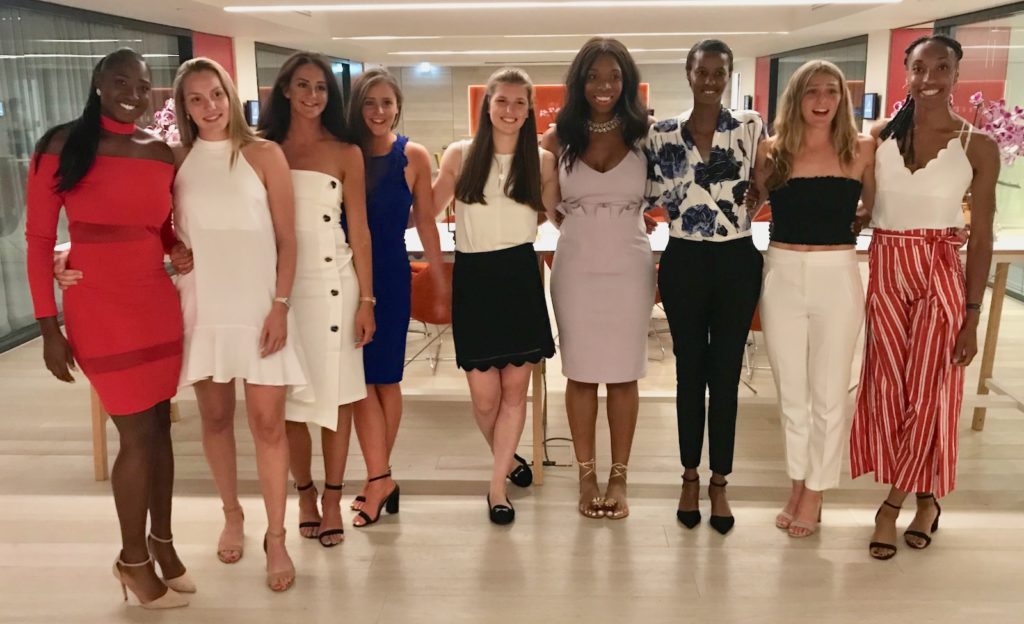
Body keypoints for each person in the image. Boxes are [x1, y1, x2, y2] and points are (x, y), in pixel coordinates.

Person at [26, 48, 190, 608]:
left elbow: (159, 223)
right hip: (97, 306)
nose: (132, 92)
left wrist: (176, 246)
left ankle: (163, 545)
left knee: (162, 429)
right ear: (98, 82)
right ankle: (132, 561)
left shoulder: (159, 152)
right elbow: (40, 241)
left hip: (155, 300)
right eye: (121, 81)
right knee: (137, 435)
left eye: (142, 85)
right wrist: (48, 324)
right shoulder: (60, 145)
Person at [849, 35, 998, 560]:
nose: (929, 77)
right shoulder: (879, 137)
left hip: (940, 273)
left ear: (957, 75)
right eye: (919, 68)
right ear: (906, 74)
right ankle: (929, 498)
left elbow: (981, 238)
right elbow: (864, 205)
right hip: (887, 269)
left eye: (942, 67)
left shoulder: (976, 144)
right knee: (891, 388)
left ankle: (891, 505)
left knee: (933, 390)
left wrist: (972, 315)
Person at [643, 39, 765, 534]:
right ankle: (689, 474)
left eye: (719, 72)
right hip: (684, 259)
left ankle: (720, 480)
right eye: (702, 71)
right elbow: (645, 193)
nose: (710, 80)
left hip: (737, 258)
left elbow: (765, 180)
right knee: (689, 372)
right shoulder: (661, 133)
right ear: (688, 74)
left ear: (729, 75)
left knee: (726, 374)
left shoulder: (750, 127)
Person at [750, 60, 875, 538]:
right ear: (796, 99)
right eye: (812, 93)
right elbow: (747, 201)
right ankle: (798, 481)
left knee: (829, 392)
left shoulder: (861, 149)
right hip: (781, 272)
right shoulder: (773, 150)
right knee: (792, 394)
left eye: (831, 92)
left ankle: (816, 491)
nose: (822, 101)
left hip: (837, 275)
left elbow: (879, 207)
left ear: (842, 98)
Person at [257, 52, 378, 543]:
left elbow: (362, 232)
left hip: (336, 287)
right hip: (279, 291)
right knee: (287, 402)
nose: (312, 96)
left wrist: (367, 300)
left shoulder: (345, 150)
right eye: (303, 85)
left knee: (338, 399)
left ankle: (332, 496)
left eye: (321, 88)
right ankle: (302, 491)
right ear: (285, 89)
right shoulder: (261, 150)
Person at [432, 67, 557, 525]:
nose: (509, 110)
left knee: (514, 394)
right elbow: (425, 209)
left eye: (519, 103)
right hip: (475, 277)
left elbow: (556, 214)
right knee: (485, 399)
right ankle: (509, 460)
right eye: (501, 101)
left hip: (519, 275)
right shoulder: (461, 155)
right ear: (488, 106)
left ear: (529, 111)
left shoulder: (541, 161)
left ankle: (497, 486)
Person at [540, 37, 654, 520]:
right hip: (577, 263)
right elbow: (550, 208)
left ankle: (619, 478)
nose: (603, 85)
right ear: (578, 82)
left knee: (625, 373)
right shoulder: (557, 138)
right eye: (593, 76)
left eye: (612, 76)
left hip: (629, 262)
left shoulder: (647, 134)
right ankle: (587, 477)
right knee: (581, 372)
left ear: (625, 80)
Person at [345, 67, 447, 524]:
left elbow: (425, 221)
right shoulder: (344, 153)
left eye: (387, 103)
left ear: (398, 107)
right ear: (357, 108)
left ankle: (377, 477)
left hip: (389, 273)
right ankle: (379, 476)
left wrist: (440, 275)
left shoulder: (414, 156)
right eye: (370, 103)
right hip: (342, 275)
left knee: (385, 377)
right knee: (358, 379)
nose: (379, 112)